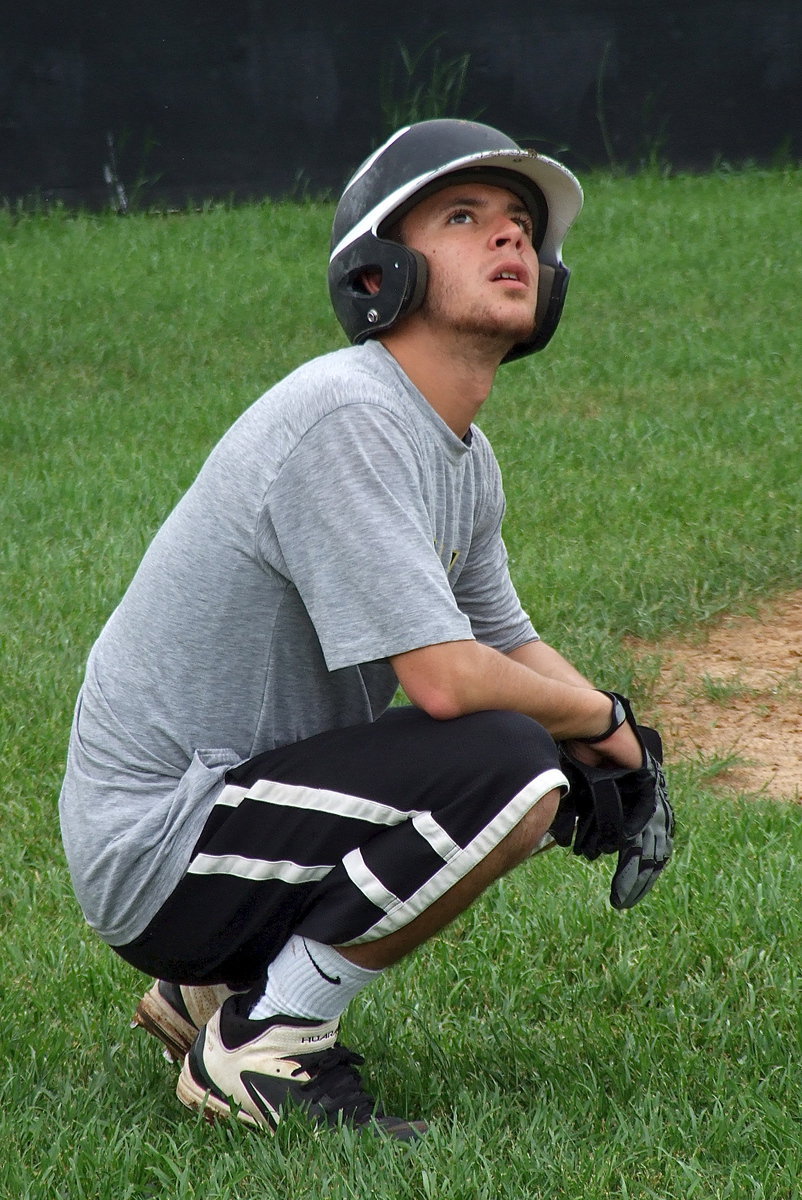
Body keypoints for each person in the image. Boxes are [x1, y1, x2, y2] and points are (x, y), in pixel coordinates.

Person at [59, 118, 664, 1142]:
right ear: (379, 269)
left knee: (524, 743)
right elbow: (443, 678)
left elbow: (503, 639)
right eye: (465, 218)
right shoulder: (350, 414)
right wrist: (592, 717)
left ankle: (204, 994)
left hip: (220, 819)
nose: (511, 241)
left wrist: (626, 742)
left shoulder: (458, 456)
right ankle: (261, 1041)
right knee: (511, 765)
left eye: (522, 227)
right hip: (161, 847)